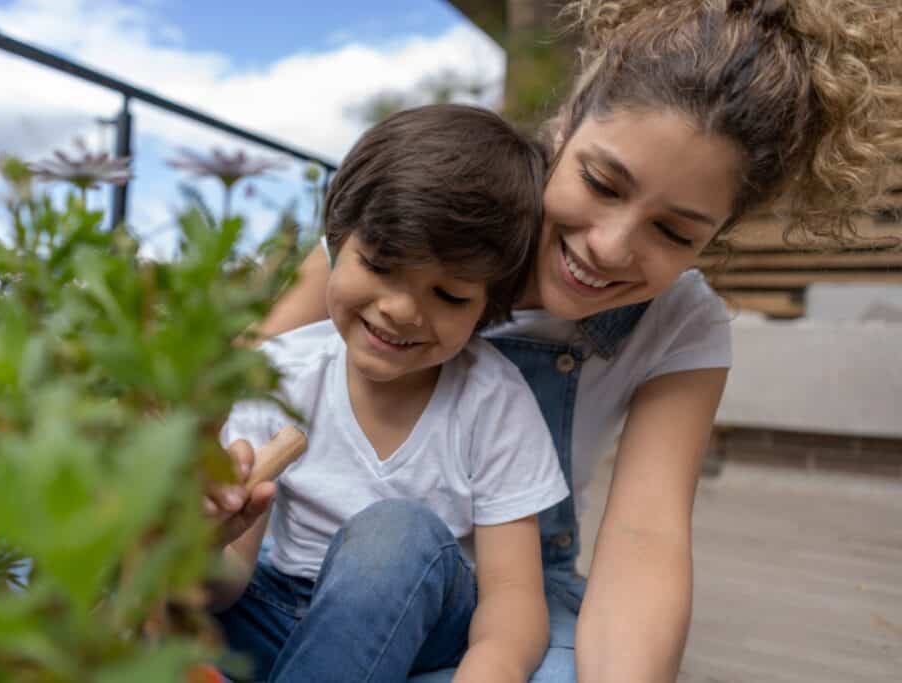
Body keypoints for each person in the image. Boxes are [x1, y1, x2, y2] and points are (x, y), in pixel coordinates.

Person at [238, 0, 902, 680]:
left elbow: (645, 540)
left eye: (674, 232)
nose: (609, 248)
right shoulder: (407, 230)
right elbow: (228, 385)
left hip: (497, 606)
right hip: (298, 564)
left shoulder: (684, 326)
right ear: (564, 127)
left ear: (716, 237)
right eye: (601, 182)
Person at [208, 103, 571, 682]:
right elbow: (229, 583)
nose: (400, 309)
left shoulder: (493, 401)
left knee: (394, 532)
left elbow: (512, 598)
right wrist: (203, 545)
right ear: (336, 243)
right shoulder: (277, 375)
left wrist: (489, 671)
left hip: (420, 624)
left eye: (449, 296)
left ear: (487, 308)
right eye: (379, 264)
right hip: (274, 609)